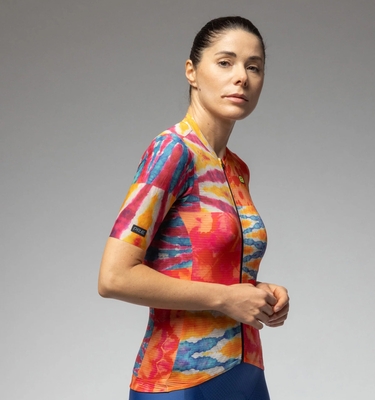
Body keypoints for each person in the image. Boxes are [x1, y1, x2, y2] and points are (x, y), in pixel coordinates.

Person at [98, 16, 289, 400]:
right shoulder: (173, 151)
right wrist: (226, 298)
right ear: (192, 72)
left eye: (254, 67)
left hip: (246, 374)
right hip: (179, 380)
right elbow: (114, 277)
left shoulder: (236, 169)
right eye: (225, 62)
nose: (241, 77)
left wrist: (259, 292)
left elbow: (208, 270)